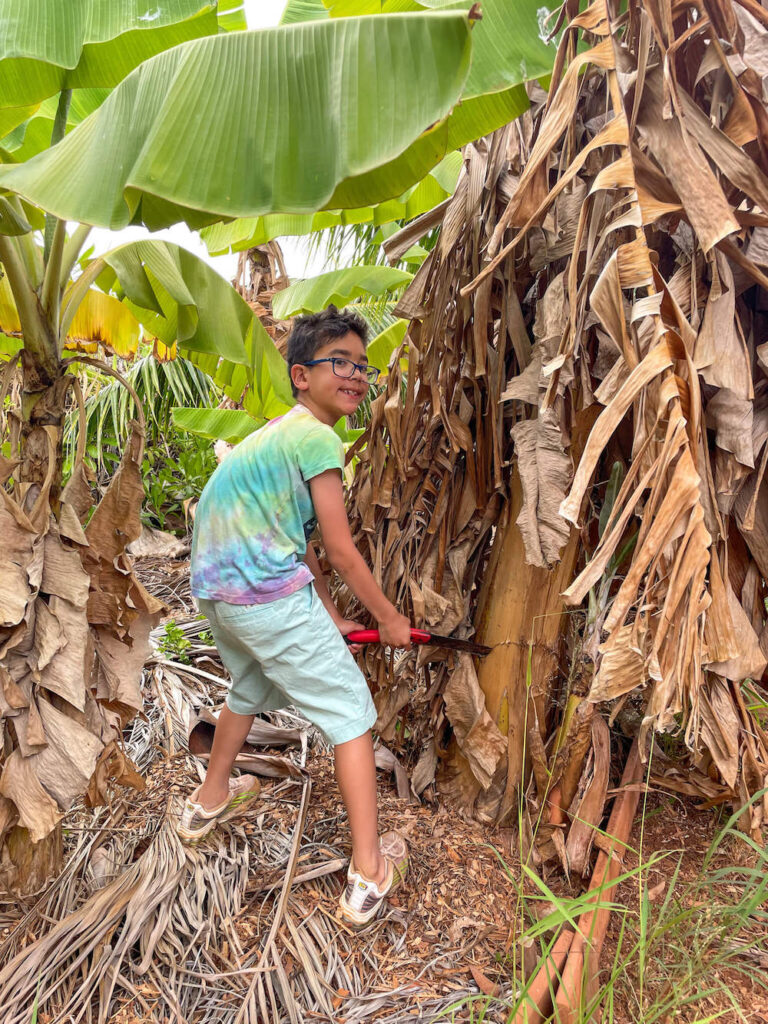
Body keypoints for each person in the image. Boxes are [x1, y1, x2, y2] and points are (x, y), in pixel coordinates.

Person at [177, 305, 411, 926]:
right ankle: (369, 871)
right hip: (266, 599)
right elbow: (338, 548)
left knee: (248, 687)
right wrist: (386, 618)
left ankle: (210, 798)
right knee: (350, 715)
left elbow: (299, 540)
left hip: (220, 597)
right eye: (340, 362)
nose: (357, 375)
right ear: (301, 375)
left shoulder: (269, 438)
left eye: (363, 365)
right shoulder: (317, 437)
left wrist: (331, 615)